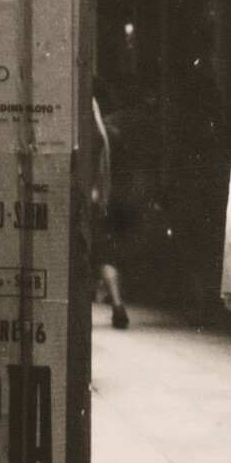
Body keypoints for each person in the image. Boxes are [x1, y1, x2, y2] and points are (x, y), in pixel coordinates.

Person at [90, 94, 130, 329]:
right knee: (105, 255)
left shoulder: (87, 134)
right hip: (101, 200)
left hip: (86, 199)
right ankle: (117, 304)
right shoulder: (105, 134)